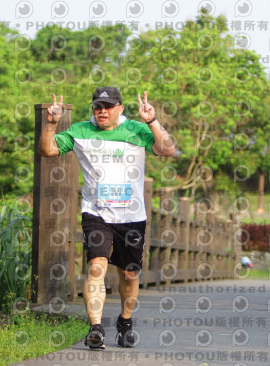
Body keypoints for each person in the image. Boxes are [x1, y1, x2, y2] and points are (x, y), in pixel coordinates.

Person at [39, 87, 176, 349]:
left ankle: (125, 322)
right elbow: (48, 150)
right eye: (97, 106)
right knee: (95, 267)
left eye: (108, 106)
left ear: (120, 109)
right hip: (96, 212)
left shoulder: (136, 130)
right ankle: (96, 328)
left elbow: (167, 150)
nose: (102, 111)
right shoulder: (81, 131)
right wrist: (51, 124)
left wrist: (152, 121)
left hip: (132, 216)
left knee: (130, 275)